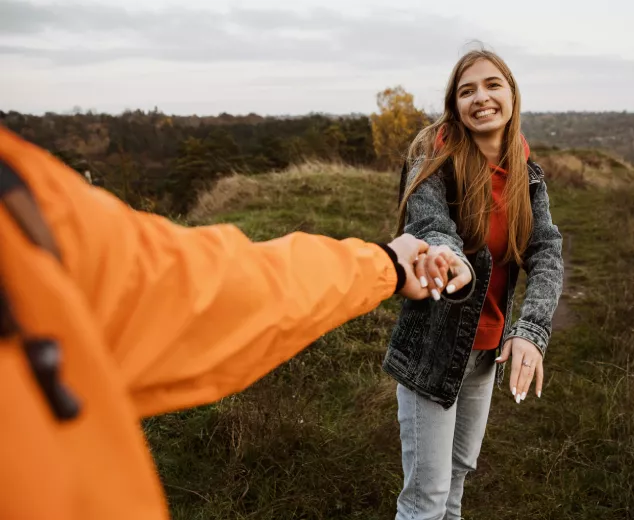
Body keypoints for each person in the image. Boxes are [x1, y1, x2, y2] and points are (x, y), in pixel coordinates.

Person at [0, 126, 473, 520]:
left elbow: (197, 289)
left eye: (494, 86)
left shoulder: (21, 200)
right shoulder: (21, 196)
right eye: (469, 88)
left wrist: (384, 266)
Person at [382, 48, 564, 520]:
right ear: (454, 104)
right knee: (427, 499)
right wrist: (449, 254)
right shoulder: (432, 160)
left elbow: (545, 250)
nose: (481, 98)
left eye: (491, 85)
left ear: (511, 94)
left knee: (460, 474)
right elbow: (430, 223)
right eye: (467, 91)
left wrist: (533, 330)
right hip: (433, 348)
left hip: (486, 353)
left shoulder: (527, 174)